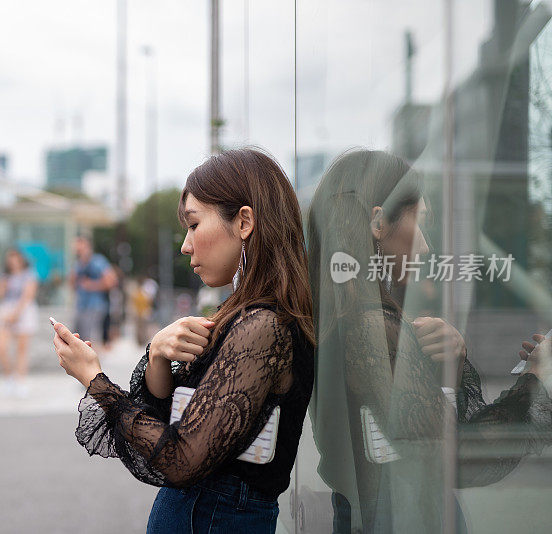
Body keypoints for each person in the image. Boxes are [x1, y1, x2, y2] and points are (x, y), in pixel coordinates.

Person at [53, 148, 316, 533]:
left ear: (245, 222)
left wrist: (94, 379)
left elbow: (180, 458)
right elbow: (172, 421)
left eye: (193, 225)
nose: (185, 245)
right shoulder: (243, 315)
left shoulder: (264, 326)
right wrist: (158, 355)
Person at [306, 150, 552, 533]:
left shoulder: (347, 317)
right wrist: (537, 380)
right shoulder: (369, 326)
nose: (423, 246)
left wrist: (450, 359)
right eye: (419, 222)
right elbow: (458, 459)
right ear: (376, 222)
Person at [0, 248, 39, 397]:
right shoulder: (3, 274)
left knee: (21, 349)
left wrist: (16, 313)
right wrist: (2, 285)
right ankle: (9, 377)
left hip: (23, 310)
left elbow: (28, 295)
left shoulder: (29, 274)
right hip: (6, 308)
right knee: (1, 346)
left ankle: (20, 380)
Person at [70, 236, 117, 347]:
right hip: (81, 306)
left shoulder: (98, 261)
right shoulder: (78, 264)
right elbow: (73, 285)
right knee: (78, 339)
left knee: (91, 340)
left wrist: (91, 285)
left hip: (95, 307)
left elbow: (111, 281)